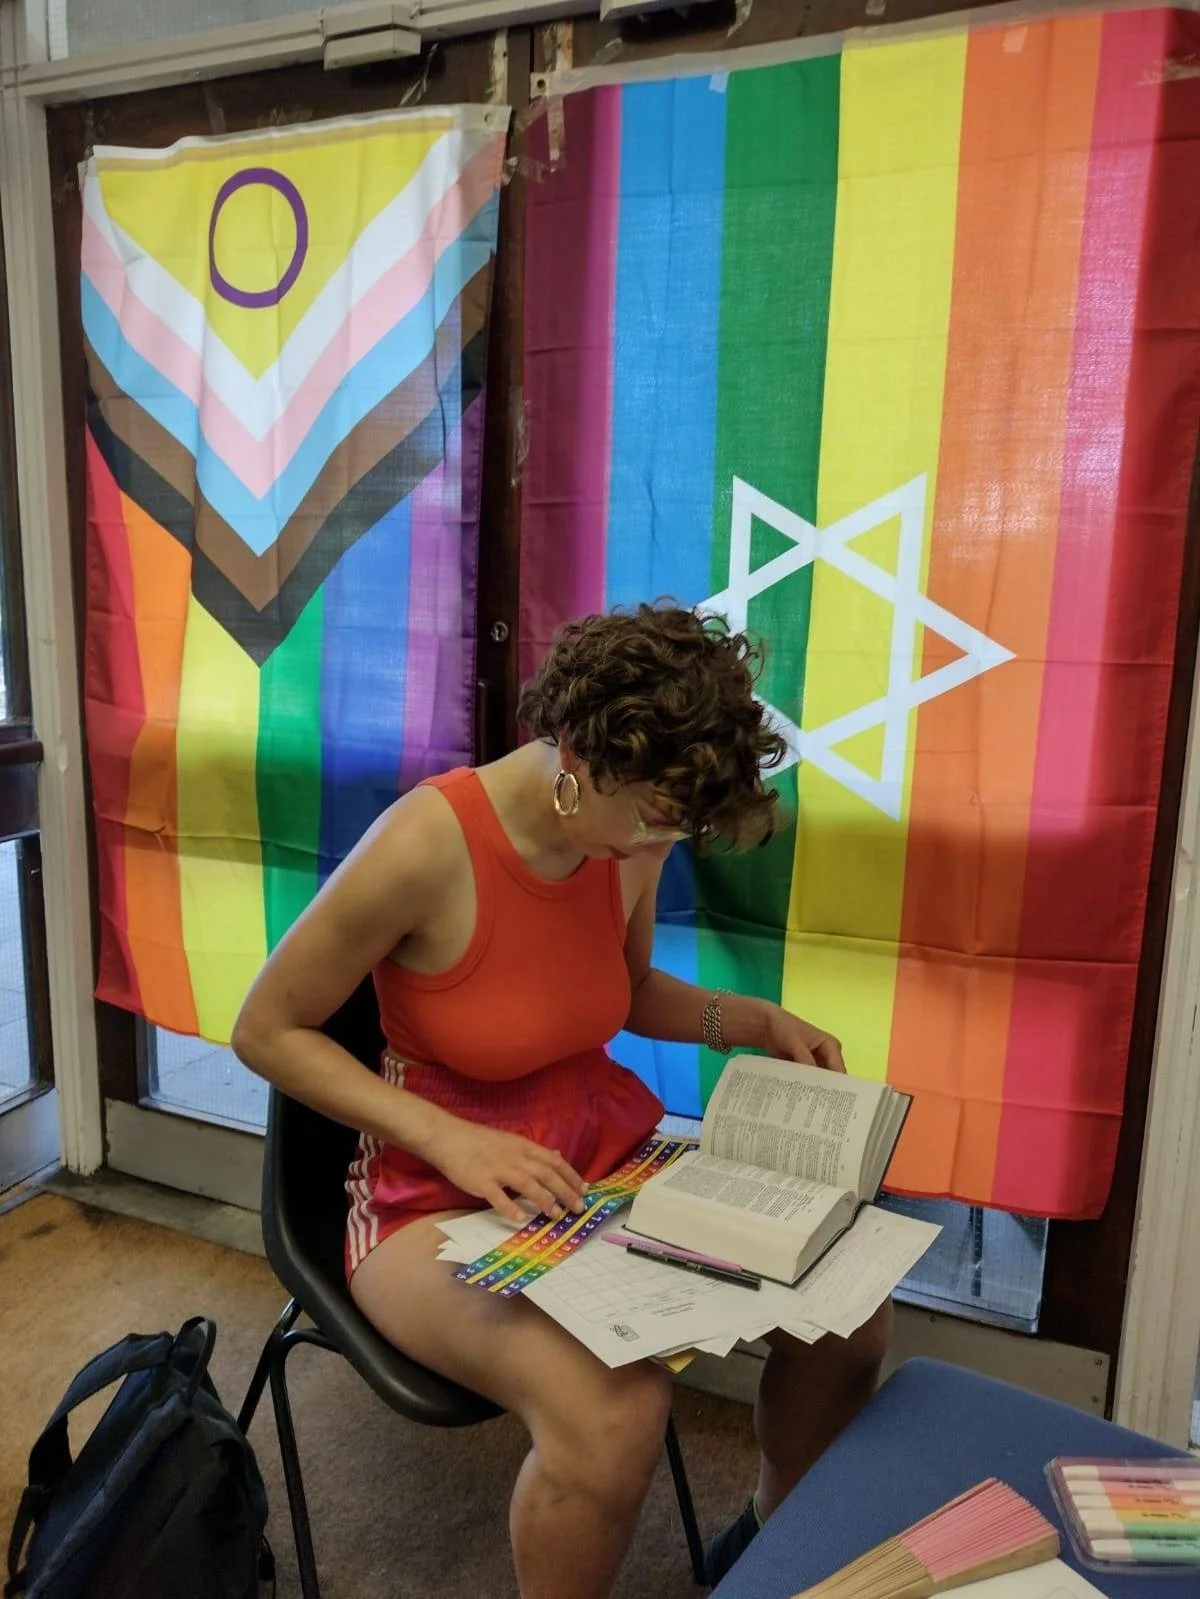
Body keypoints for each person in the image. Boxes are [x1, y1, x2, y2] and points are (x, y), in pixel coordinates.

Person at [233, 604, 892, 1599]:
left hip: (598, 1155)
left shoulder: (629, 835)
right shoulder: (425, 842)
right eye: (655, 817)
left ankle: (765, 1539)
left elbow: (622, 989)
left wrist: (750, 1019)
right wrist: (451, 1140)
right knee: (613, 1411)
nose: (661, 841)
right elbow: (266, 1029)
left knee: (850, 1310)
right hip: (430, 1194)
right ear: (579, 763)